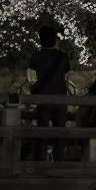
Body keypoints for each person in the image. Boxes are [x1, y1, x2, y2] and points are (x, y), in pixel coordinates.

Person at [28, 25, 71, 162]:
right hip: (60, 99)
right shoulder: (63, 57)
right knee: (60, 132)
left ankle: (40, 160)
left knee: (42, 132)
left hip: (43, 99)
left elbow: (31, 78)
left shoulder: (36, 57)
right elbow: (65, 70)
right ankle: (59, 161)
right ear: (55, 40)